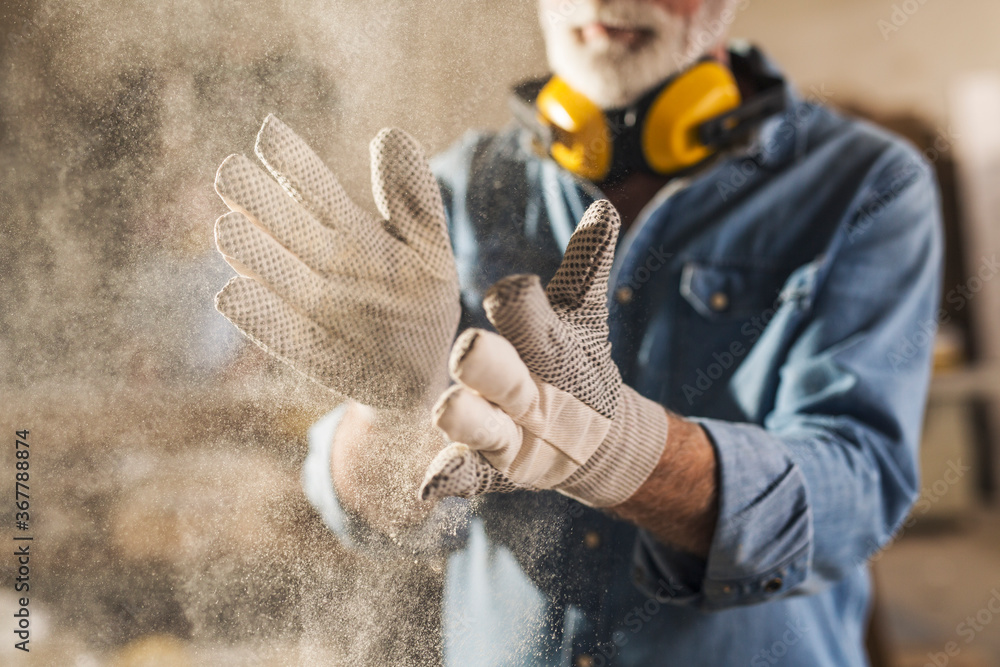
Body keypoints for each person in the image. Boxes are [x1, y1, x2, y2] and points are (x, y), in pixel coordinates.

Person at [212, 0, 942, 664]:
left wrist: (624, 451)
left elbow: (858, 497)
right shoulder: (462, 189)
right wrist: (391, 412)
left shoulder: (863, 186)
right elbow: (382, 520)